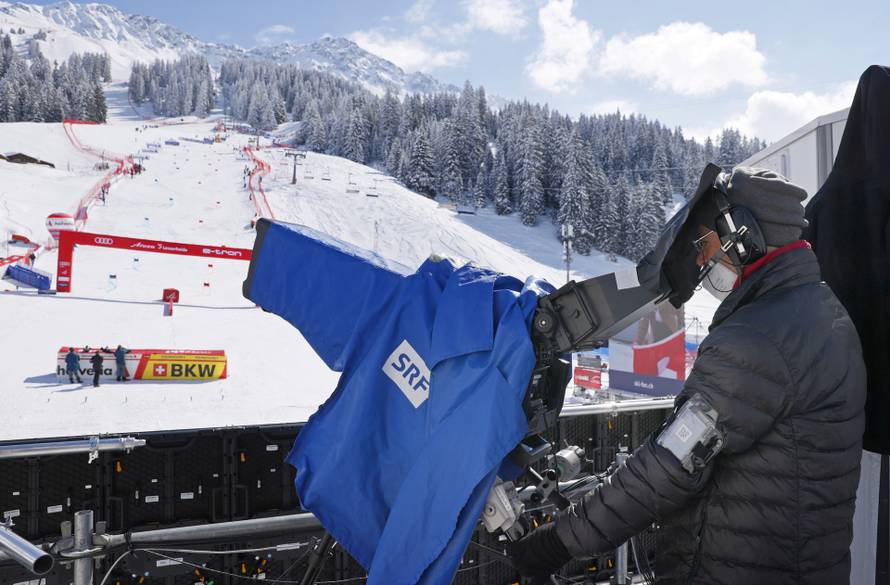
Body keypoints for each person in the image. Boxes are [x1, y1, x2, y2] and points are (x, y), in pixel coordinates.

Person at [510, 167, 866, 585]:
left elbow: (671, 465)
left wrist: (558, 542)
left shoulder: (756, 338)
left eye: (704, 242)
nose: (700, 257)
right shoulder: (822, 312)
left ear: (743, 235)